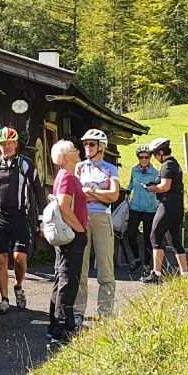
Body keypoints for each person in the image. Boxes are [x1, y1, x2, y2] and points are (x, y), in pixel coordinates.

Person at [0, 126, 42, 314]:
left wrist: (42, 217)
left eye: (10, 143)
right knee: (1, 258)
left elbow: (38, 191)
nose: (7, 147)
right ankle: (4, 300)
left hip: (20, 215)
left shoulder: (26, 163)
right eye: (3, 144)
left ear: (16, 144)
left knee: (19, 258)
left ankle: (18, 286)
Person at [74, 129, 121, 321]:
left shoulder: (111, 168)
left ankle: (105, 314)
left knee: (105, 267)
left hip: (102, 218)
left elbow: (114, 196)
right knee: (80, 267)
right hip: (82, 218)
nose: (86, 147)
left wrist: (90, 193)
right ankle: (77, 312)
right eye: (85, 143)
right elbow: (77, 194)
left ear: (101, 147)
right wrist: (98, 194)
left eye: (91, 144)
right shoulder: (79, 167)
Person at [45, 140, 88, 347]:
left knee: (61, 278)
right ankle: (62, 330)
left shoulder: (67, 176)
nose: (78, 151)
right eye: (73, 150)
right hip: (72, 235)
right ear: (66, 157)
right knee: (68, 281)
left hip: (69, 235)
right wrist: (79, 229)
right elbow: (63, 205)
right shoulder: (67, 178)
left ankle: (55, 326)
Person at [143, 136, 188, 281]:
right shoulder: (174, 163)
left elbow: (165, 186)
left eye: (155, 154)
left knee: (155, 235)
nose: (155, 158)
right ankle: (185, 273)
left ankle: (156, 274)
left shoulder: (167, 165)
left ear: (161, 152)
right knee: (174, 240)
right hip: (177, 206)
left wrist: (151, 189)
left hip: (167, 205)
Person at [122, 146, 159, 271]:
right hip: (135, 207)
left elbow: (159, 188)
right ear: (138, 157)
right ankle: (137, 259)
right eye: (141, 157)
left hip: (150, 209)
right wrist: (127, 191)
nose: (144, 159)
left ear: (150, 158)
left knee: (148, 237)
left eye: (146, 157)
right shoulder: (134, 170)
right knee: (131, 235)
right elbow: (132, 182)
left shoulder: (155, 172)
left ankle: (147, 265)